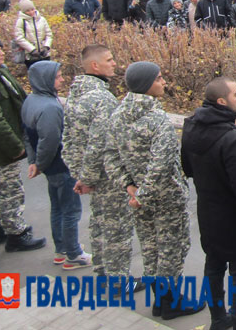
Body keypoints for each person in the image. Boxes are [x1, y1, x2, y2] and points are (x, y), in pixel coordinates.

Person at [104, 62, 202, 320]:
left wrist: (132, 189)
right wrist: (143, 193)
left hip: (140, 199)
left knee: (150, 248)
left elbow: (110, 157)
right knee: (172, 248)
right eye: (159, 79)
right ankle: (170, 303)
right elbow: (162, 162)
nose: (163, 82)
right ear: (146, 84)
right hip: (166, 198)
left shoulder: (117, 115)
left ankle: (160, 301)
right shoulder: (157, 118)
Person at [181, 77, 236, 330]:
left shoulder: (191, 126)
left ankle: (218, 319)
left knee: (214, 267)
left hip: (208, 214)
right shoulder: (233, 140)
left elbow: (188, 168)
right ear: (221, 101)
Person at [63, 45, 138, 291]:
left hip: (91, 174)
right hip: (107, 176)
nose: (114, 63)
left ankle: (104, 275)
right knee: (115, 228)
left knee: (99, 224)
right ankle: (119, 282)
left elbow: (70, 138)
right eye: (109, 59)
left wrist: (80, 174)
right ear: (95, 66)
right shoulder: (102, 98)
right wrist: (88, 177)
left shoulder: (77, 93)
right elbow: (101, 143)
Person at [0, 36, 47, 251]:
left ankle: (3, 228)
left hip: (0, 147)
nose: (2, 53)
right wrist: (15, 148)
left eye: (2, 49)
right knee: (10, 190)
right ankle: (17, 235)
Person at [22, 61, 92, 269]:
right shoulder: (51, 108)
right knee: (70, 211)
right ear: (46, 80)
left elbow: (27, 135)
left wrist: (34, 162)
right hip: (62, 166)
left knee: (57, 208)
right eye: (58, 76)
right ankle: (74, 255)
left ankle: (60, 250)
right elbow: (50, 141)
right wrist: (40, 164)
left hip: (49, 168)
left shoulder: (31, 100)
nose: (62, 80)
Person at [14, 0, 53, 68]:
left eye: (32, 9)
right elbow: (19, 38)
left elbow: (49, 34)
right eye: (27, 11)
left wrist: (46, 47)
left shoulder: (42, 19)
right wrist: (32, 50)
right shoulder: (21, 21)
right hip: (30, 56)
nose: (31, 12)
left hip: (44, 54)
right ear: (23, 11)